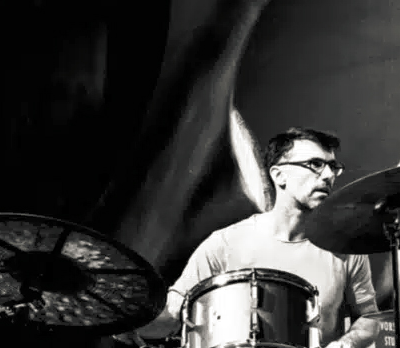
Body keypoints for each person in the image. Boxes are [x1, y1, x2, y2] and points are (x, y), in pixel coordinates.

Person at [116, 128, 380, 348]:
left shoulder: (346, 248)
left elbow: (370, 318)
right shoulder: (224, 244)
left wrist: (345, 344)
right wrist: (125, 320)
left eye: (333, 167)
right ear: (278, 175)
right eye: (315, 165)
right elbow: (175, 313)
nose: (328, 175)